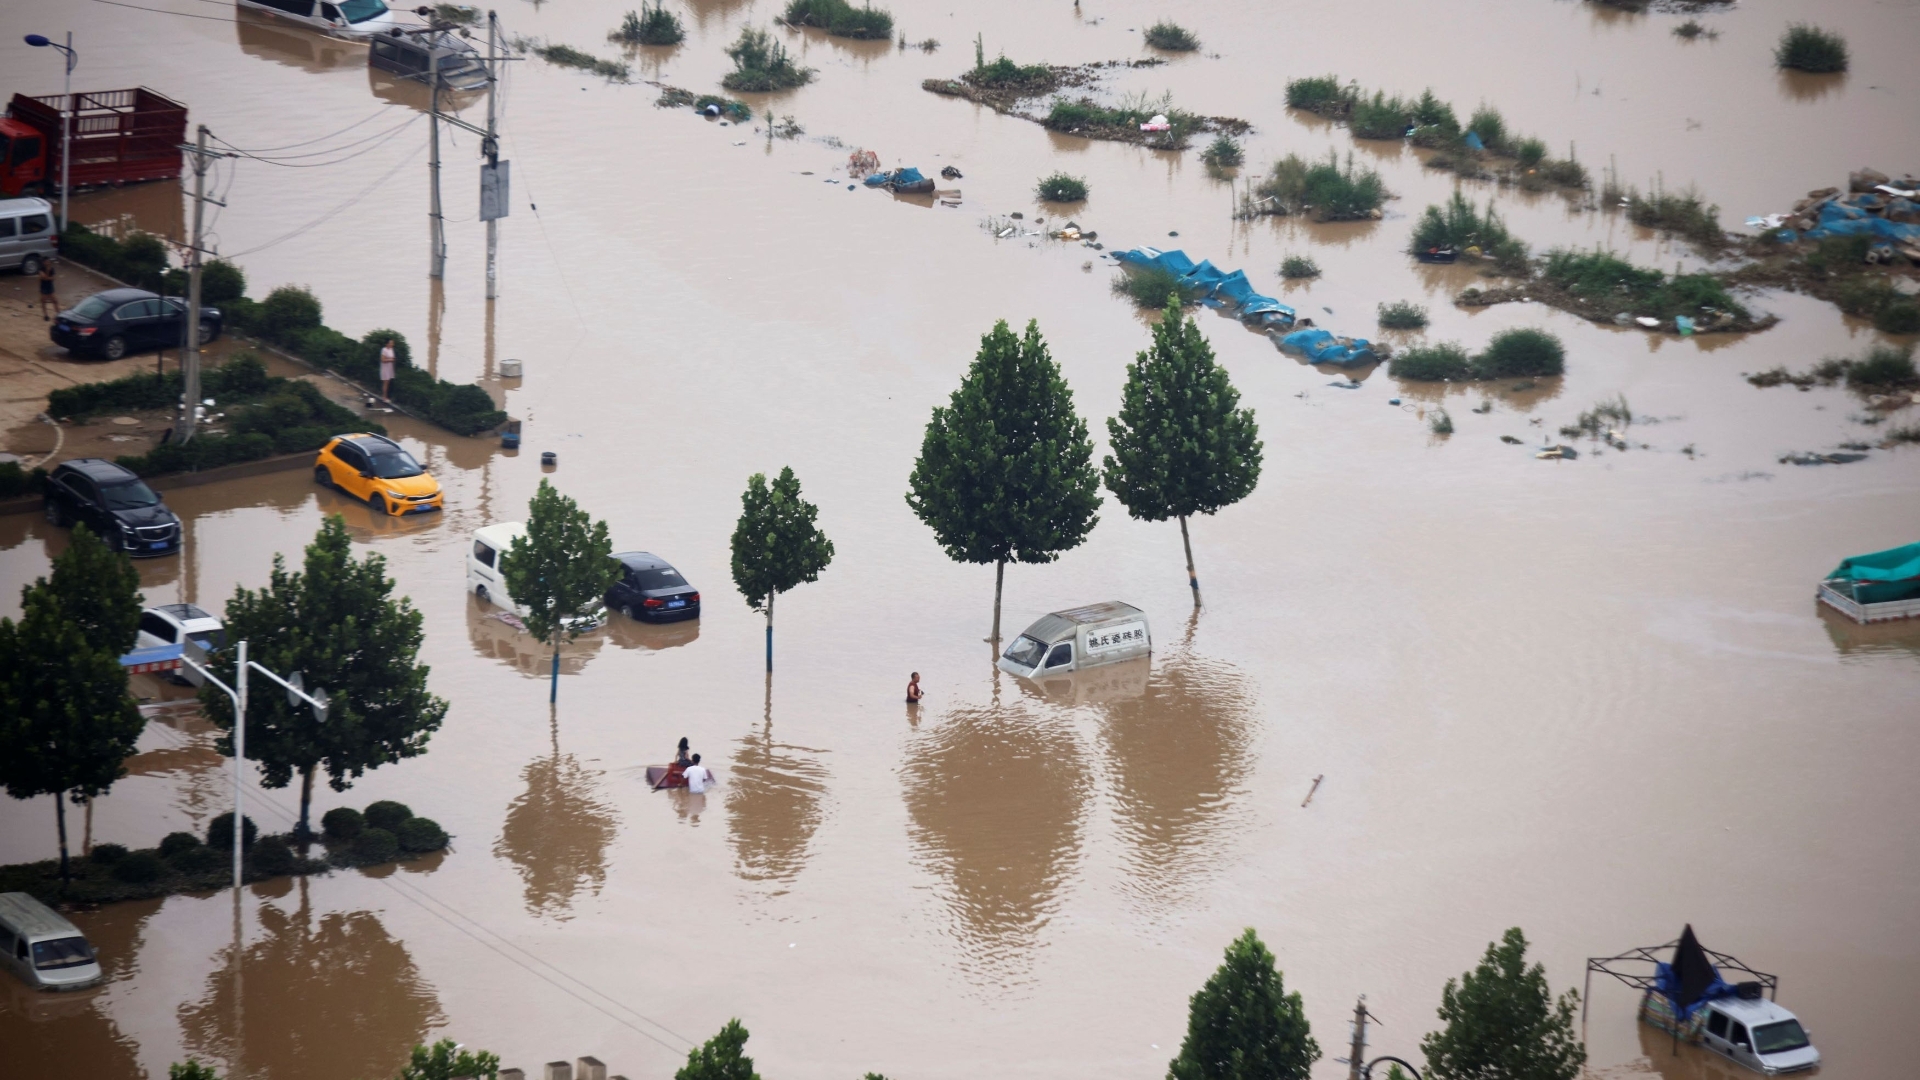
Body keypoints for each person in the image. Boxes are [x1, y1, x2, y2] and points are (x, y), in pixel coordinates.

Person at [37, 249, 59, 321]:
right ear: (44, 262)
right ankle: (45, 315)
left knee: (55, 301)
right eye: (47, 262)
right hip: (44, 287)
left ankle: (58, 314)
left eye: (48, 261)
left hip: (50, 286)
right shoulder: (41, 269)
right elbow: (44, 277)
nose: (48, 263)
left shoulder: (52, 269)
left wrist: (48, 277)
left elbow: (53, 278)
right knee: (43, 301)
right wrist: (48, 271)